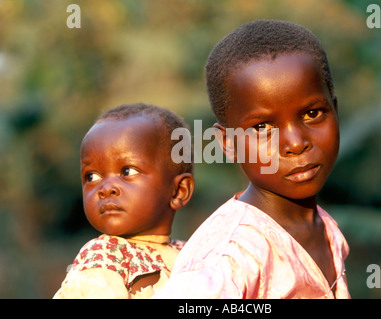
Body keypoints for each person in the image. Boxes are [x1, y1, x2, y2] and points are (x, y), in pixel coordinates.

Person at [153, 20, 350, 299]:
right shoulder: (231, 255)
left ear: (335, 109)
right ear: (228, 143)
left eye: (312, 113)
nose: (295, 143)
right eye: (262, 128)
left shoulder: (325, 227)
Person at [53, 103, 194, 298]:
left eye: (127, 171)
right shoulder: (104, 257)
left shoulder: (192, 254)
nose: (106, 188)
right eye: (92, 176)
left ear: (179, 191)